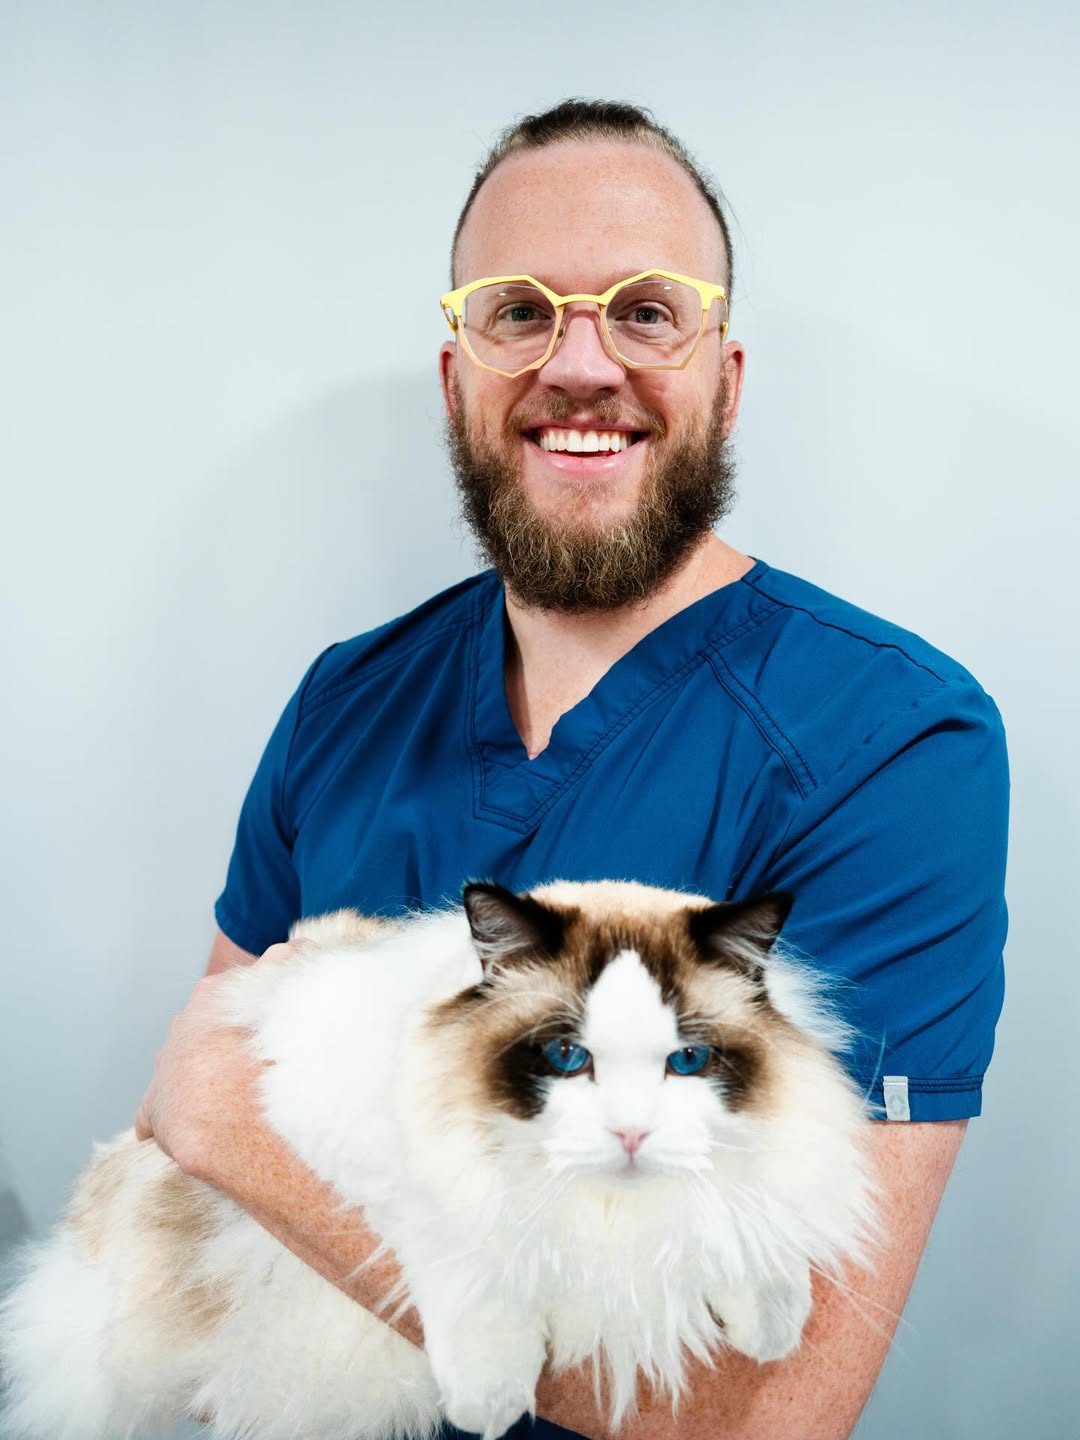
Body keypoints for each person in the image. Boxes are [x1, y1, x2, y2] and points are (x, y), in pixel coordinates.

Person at [135, 99, 1009, 1439]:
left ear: (726, 377)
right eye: (520, 312)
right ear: (456, 380)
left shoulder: (890, 743)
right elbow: (181, 1176)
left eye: (647, 312)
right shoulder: (343, 702)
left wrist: (256, 1146)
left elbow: (771, 1414)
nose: (579, 364)